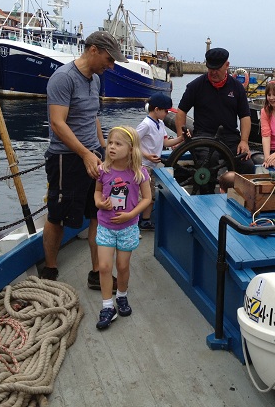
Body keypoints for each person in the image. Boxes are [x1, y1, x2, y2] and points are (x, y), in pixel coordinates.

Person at [41, 31, 128, 293]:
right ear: (93, 50)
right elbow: (58, 123)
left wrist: (102, 149)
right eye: (108, 59)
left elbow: (93, 117)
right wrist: (85, 154)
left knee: (96, 214)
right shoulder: (63, 78)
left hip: (93, 156)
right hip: (65, 160)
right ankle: (50, 269)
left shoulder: (96, 80)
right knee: (57, 215)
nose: (110, 66)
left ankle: (95, 273)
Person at [94, 126, 152, 329]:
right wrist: (100, 203)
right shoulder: (103, 170)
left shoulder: (139, 173)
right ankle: (107, 306)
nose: (112, 147)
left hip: (127, 227)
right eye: (110, 143)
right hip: (105, 226)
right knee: (104, 267)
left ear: (131, 149)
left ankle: (122, 295)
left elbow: (147, 198)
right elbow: (98, 192)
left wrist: (131, 214)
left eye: (118, 144)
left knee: (123, 266)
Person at [175, 48, 255, 191]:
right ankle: (207, 199)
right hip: (203, 136)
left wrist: (244, 141)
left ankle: (241, 201)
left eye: (217, 68)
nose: (213, 72)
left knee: (247, 165)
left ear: (227, 65)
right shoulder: (195, 86)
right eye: (210, 68)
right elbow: (181, 111)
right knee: (208, 161)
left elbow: (245, 116)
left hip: (230, 137)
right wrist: (181, 136)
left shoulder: (237, 88)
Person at [135, 92, 184, 230]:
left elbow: (166, 142)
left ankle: (145, 220)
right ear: (156, 109)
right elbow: (132, 143)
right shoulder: (145, 125)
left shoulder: (160, 123)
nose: (167, 114)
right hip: (142, 165)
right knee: (140, 196)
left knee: (149, 195)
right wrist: (147, 156)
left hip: (152, 166)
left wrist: (181, 139)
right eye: (165, 111)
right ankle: (132, 223)